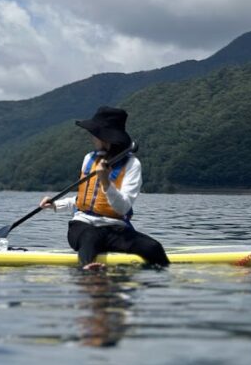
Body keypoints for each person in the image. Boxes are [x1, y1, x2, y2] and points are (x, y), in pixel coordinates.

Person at [39, 106, 169, 269]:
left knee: (153, 247)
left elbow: (122, 208)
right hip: (82, 226)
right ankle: (88, 271)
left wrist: (106, 182)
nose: (92, 137)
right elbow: (84, 199)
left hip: (115, 229)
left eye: (95, 134)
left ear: (105, 138)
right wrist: (55, 205)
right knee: (91, 237)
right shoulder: (89, 158)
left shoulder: (132, 165)